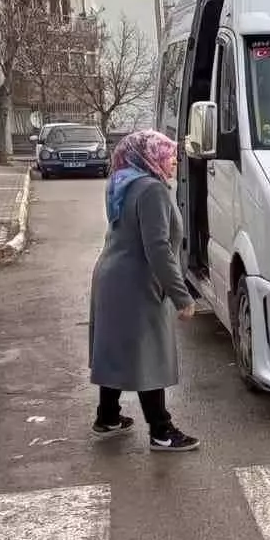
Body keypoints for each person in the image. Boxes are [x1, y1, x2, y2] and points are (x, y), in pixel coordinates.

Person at [88, 129, 201, 453]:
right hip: (136, 281)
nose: (174, 162)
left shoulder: (121, 181)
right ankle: (162, 431)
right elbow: (158, 248)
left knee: (115, 347)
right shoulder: (152, 190)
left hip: (111, 275)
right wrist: (181, 295)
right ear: (151, 157)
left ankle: (107, 416)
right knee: (148, 354)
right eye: (168, 156)